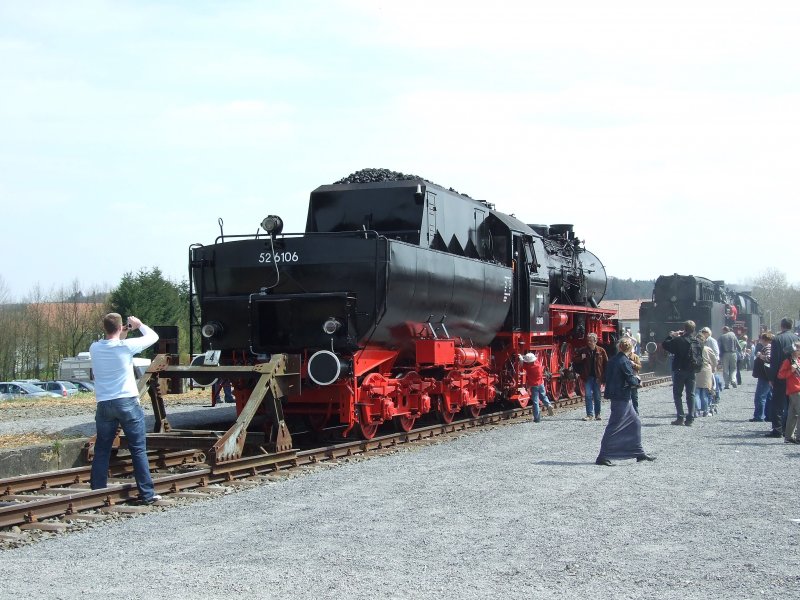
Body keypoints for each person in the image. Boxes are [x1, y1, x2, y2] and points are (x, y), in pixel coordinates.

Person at [89, 313, 161, 504]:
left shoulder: (94, 348)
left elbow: (113, 342)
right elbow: (154, 337)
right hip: (127, 403)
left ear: (104, 328)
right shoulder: (126, 347)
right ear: (120, 327)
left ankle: (97, 492)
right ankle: (147, 494)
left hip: (104, 405)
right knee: (138, 449)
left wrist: (123, 331)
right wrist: (139, 324)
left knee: (102, 449)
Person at [594, 337, 655, 466]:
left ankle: (639, 453)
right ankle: (602, 456)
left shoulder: (613, 360)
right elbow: (630, 379)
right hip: (622, 397)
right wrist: (638, 381)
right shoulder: (624, 361)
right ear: (630, 348)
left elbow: (606, 377)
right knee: (614, 426)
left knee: (636, 422)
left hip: (617, 396)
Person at [766, 318, 800, 438]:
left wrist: (771, 377)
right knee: (791, 404)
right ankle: (788, 429)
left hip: (781, 373)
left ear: (781, 326)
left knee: (778, 403)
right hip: (794, 374)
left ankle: (777, 429)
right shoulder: (797, 338)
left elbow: (774, 360)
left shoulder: (777, 339)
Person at [663, 320, 698, 426]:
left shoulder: (679, 340)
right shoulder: (696, 341)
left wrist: (671, 335)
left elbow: (665, 345)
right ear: (694, 329)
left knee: (678, 394)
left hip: (679, 370)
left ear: (684, 328)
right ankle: (690, 418)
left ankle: (680, 417)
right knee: (691, 394)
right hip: (692, 370)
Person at [573, 333, 608, 421]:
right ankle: (589, 415)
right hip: (587, 377)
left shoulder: (601, 351)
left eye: (590, 341)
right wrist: (581, 358)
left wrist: (604, 376)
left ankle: (598, 414)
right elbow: (575, 360)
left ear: (595, 341)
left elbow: (606, 364)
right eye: (588, 340)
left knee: (597, 396)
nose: (589, 342)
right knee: (588, 396)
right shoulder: (583, 351)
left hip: (597, 377)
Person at [520, 352, 554, 423]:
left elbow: (522, 364)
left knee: (535, 402)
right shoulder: (538, 364)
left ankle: (537, 418)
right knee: (543, 396)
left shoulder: (529, 367)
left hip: (534, 386)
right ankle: (548, 405)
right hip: (541, 384)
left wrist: (520, 357)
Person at [777, 342, 800, 444]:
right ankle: (798, 437)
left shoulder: (798, 360)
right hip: (795, 390)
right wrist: (791, 370)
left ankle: (789, 436)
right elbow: (780, 375)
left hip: (796, 390)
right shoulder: (788, 361)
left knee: (793, 414)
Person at [750, 331, 773, 422]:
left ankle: (759, 416)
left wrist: (760, 356)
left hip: (765, 375)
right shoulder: (769, 347)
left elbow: (769, 358)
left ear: (764, 339)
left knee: (760, 396)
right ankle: (768, 415)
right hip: (767, 375)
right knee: (768, 396)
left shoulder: (767, 347)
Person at [694, 339, 718, 417]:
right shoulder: (707, 349)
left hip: (696, 370)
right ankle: (705, 411)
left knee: (696, 392)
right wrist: (714, 368)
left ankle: (696, 411)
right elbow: (714, 359)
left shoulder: (692, 348)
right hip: (706, 371)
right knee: (705, 392)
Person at [626, 340, 642, 414]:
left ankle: (636, 411)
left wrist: (633, 364)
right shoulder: (623, 356)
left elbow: (639, 367)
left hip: (633, 378)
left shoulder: (635, 357)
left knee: (634, 397)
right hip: (625, 379)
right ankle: (628, 412)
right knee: (627, 397)